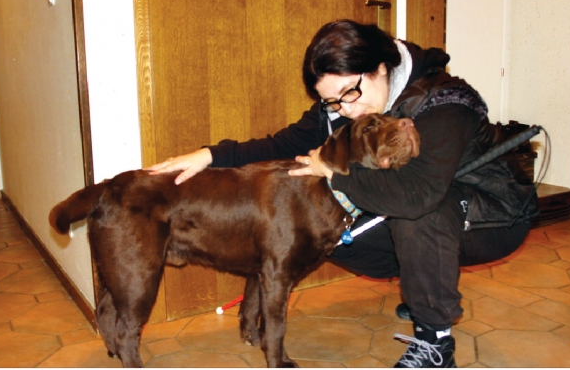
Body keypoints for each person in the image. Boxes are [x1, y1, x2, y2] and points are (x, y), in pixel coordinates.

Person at [147, 20, 538, 368]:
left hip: (492, 214)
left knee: (417, 212)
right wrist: (209, 156)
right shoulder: (344, 107)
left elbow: (417, 194)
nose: (345, 109)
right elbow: (284, 146)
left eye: (350, 92)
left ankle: (435, 342)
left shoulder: (447, 102)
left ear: (380, 67)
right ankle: (421, 280)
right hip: (425, 207)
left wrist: (333, 172)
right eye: (332, 101)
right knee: (316, 224)